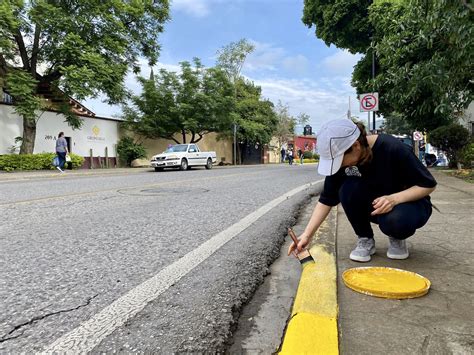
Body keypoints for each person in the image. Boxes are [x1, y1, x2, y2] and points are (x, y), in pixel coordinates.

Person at [288, 119, 436, 262]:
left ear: (356, 146)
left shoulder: (393, 148)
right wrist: (307, 235)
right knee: (347, 189)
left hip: (408, 204)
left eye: (339, 161)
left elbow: (428, 184)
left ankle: (397, 238)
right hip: (375, 206)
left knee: (396, 221)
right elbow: (326, 199)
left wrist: (394, 199)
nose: (338, 166)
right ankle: (365, 238)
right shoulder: (341, 163)